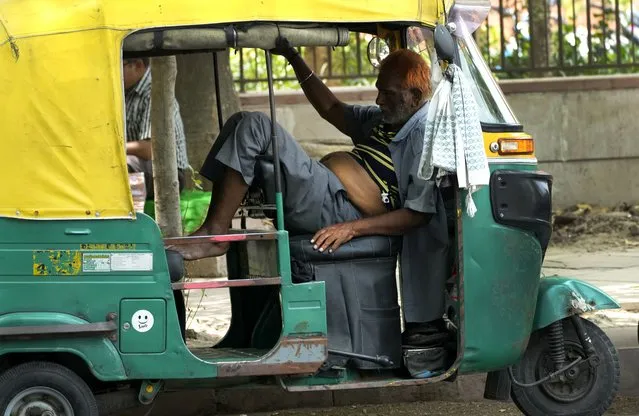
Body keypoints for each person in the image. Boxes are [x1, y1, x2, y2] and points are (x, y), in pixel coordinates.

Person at [170, 39, 450, 343]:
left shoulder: (424, 135)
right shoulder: (384, 120)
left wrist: (352, 228)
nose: (379, 99)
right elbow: (331, 107)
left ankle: (215, 233)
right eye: (378, 89)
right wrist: (292, 57)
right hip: (326, 193)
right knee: (240, 121)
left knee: (256, 125)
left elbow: (418, 215)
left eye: (388, 93)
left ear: (416, 96)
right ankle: (219, 218)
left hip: (342, 206)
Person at [123, 57, 190, 198]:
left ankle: (130, 217)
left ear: (138, 65)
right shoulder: (124, 91)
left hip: (168, 172)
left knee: (122, 165)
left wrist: (113, 149)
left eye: (118, 67)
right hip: (139, 165)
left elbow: (151, 149)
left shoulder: (155, 93)